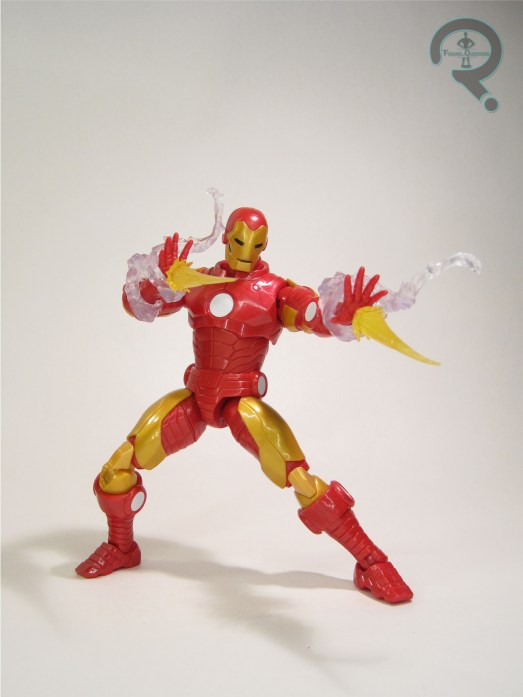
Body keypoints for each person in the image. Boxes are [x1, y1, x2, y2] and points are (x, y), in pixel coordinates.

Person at [76, 205, 413, 604]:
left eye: (256, 244)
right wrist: (155, 282)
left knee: (301, 480)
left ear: (265, 245)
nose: (246, 251)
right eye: (238, 241)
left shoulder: (274, 290)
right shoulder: (198, 281)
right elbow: (138, 306)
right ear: (226, 238)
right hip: (196, 397)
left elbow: (310, 314)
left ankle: (372, 562)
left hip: (241, 404)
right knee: (117, 467)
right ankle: (121, 547)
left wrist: (340, 313)